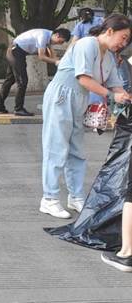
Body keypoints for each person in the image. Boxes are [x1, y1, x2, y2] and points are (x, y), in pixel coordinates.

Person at [41, 14, 132, 219]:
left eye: (127, 40)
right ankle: (49, 199)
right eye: (123, 37)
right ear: (110, 31)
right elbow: (83, 78)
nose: (124, 43)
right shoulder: (87, 44)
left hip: (80, 99)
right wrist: (112, 95)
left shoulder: (108, 56)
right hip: (61, 96)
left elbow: (116, 85)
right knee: (56, 147)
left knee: (77, 150)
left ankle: (76, 196)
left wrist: (124, 96)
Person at [0, 28, 71, 116]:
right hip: (15, 52)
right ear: (57, 35)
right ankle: (18, 109)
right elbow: (41, 56)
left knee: (10, 80)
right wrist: (56, 62)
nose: (59, 44)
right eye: (60, 41)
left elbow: (52, 55)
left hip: (14, 51)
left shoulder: (48, 37)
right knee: (22, 81)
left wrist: (58, 63)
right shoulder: (43, 36)